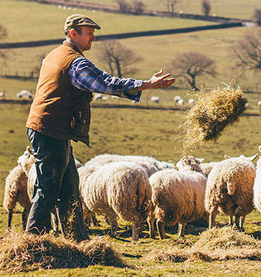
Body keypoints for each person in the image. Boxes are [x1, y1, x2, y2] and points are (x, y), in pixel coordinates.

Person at [24, 14, 175, 240]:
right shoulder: (75, 62)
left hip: (50, 128)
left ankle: (77, 241)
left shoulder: (55, 54)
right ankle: (33, 242)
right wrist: (145, 84)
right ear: (73, 33)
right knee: (48, 189)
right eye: (89, 33)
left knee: (69, 188)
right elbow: (105, 83)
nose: (93, 37)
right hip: (50, 130)